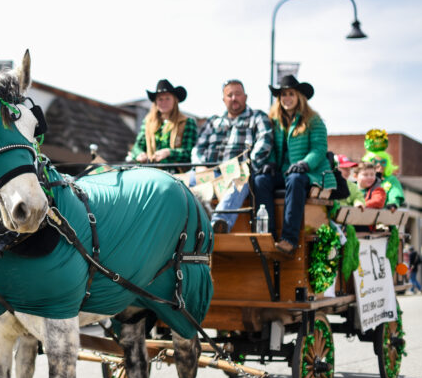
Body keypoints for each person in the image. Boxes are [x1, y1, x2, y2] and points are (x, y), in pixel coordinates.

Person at [253, 75, 336, 255]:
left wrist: (304, 164)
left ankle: (289, 239)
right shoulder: (274, 121)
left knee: (296, 179)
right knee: (260, 180)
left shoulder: (314, 120)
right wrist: (271, 163)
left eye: (291, 94)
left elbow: (319, 148)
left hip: (309, 172)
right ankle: (267, 235)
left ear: (299, 96)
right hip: (283, 172)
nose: (287, 98)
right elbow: (272, 147)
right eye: (283, 95)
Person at [191, 78, 273, 233]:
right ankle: (186, 225)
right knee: (183, 182)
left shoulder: (257, 117)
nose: (234, 98)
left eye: (238, 94)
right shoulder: (213, 122)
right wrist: (199, 165)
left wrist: (247, 165)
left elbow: (264, 142)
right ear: (223, 99)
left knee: (239, 181)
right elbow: (198, 148)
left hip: (238, 171)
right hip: (210, 172)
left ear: (246, 97)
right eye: (229, 95)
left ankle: (218, 225)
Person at [128, 79, 197, 166]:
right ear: (156, 102)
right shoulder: (148, 123)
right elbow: (137, 147)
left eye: (167, 98)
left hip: (177, 172)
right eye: (160, 99)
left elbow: (189, 152)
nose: (164, 102)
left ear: (174, 101)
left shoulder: (187, 122)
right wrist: (139, 154)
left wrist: (169, 152)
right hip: (152, 170)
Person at [360, 129, 405, 210]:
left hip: (383, 216)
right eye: (374, 162)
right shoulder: (363, 178)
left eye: (383, 162)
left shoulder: (391, 179)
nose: (379, 165)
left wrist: (393, 203)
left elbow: (395, 192)